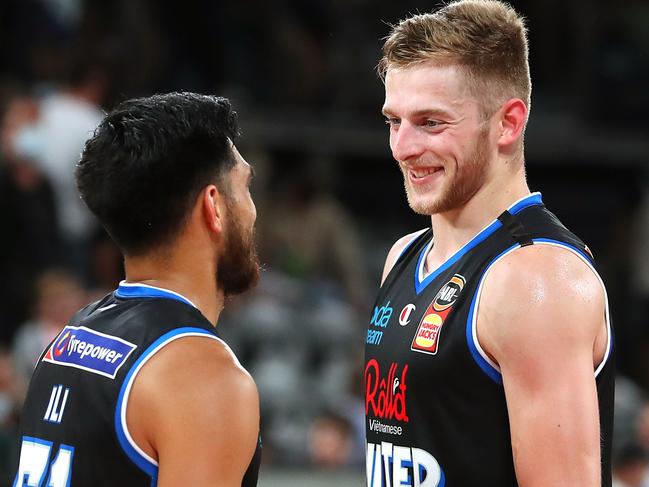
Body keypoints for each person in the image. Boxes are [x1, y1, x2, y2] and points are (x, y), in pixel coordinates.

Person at [364, 1, 614, 486]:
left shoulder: (537, 279)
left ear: (508, 123)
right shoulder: (405, 255)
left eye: (431, 123)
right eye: (394, 121)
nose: (402, 147)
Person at [13, 92, 262, 486]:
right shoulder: (203, 377)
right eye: (245, 187)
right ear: (213, 206)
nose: (252, 209)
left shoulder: (72, 338)